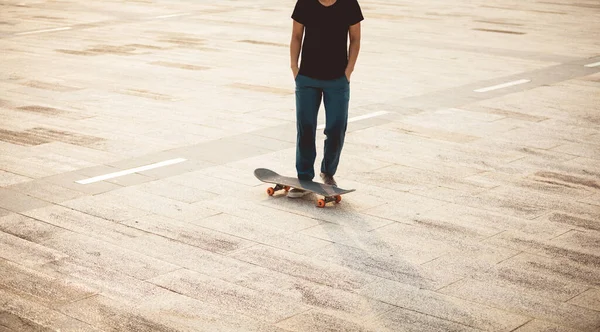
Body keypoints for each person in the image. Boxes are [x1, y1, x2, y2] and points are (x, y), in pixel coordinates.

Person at [288, 0, 363, 198]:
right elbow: (296, 36)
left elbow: (355, 38)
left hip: (337, 80)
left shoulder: (349, 3)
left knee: (337, 127)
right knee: (306, 127)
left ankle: (328, 172)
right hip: (306, 79)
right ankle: (304, 177)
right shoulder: (305, 2)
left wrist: (349, 70)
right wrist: (294, 68)